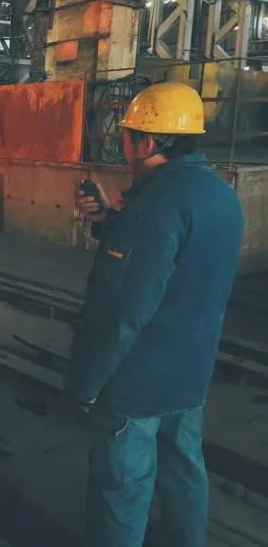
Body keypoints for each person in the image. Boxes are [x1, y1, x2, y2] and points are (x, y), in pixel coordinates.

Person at [65, 82, 244, 547]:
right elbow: (179, 264)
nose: (123, 145)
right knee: (184, 476)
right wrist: (110, 222)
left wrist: (87, 383)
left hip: (136, 385)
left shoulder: (153, 206)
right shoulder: (221, 195)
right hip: (190, 377)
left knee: (122, 492)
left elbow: (124, 311)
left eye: (126, 136)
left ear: (145, 142)